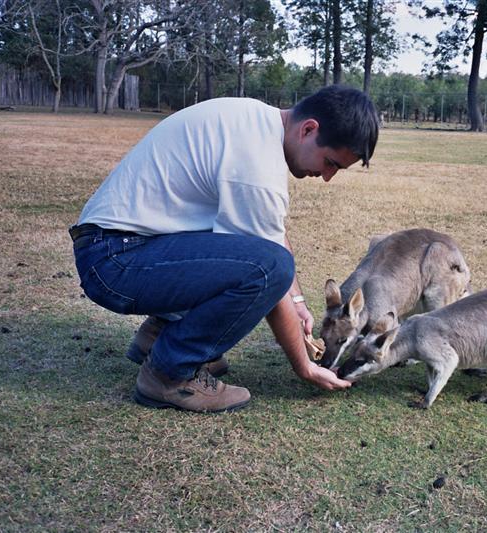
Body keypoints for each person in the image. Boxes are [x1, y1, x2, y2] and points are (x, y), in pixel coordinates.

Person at [69, 85, 379, 413]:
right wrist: (304, 365)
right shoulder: (257, 166)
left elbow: (270, 234)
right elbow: (269, 270)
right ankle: (169, 373)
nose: (327, 176)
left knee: (263, 259)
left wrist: (299, 302)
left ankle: (159, 334)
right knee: (269, 268)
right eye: (330, 162)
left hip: (117, 247)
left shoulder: (255, 122)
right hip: (116, 261)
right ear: (309, 129)